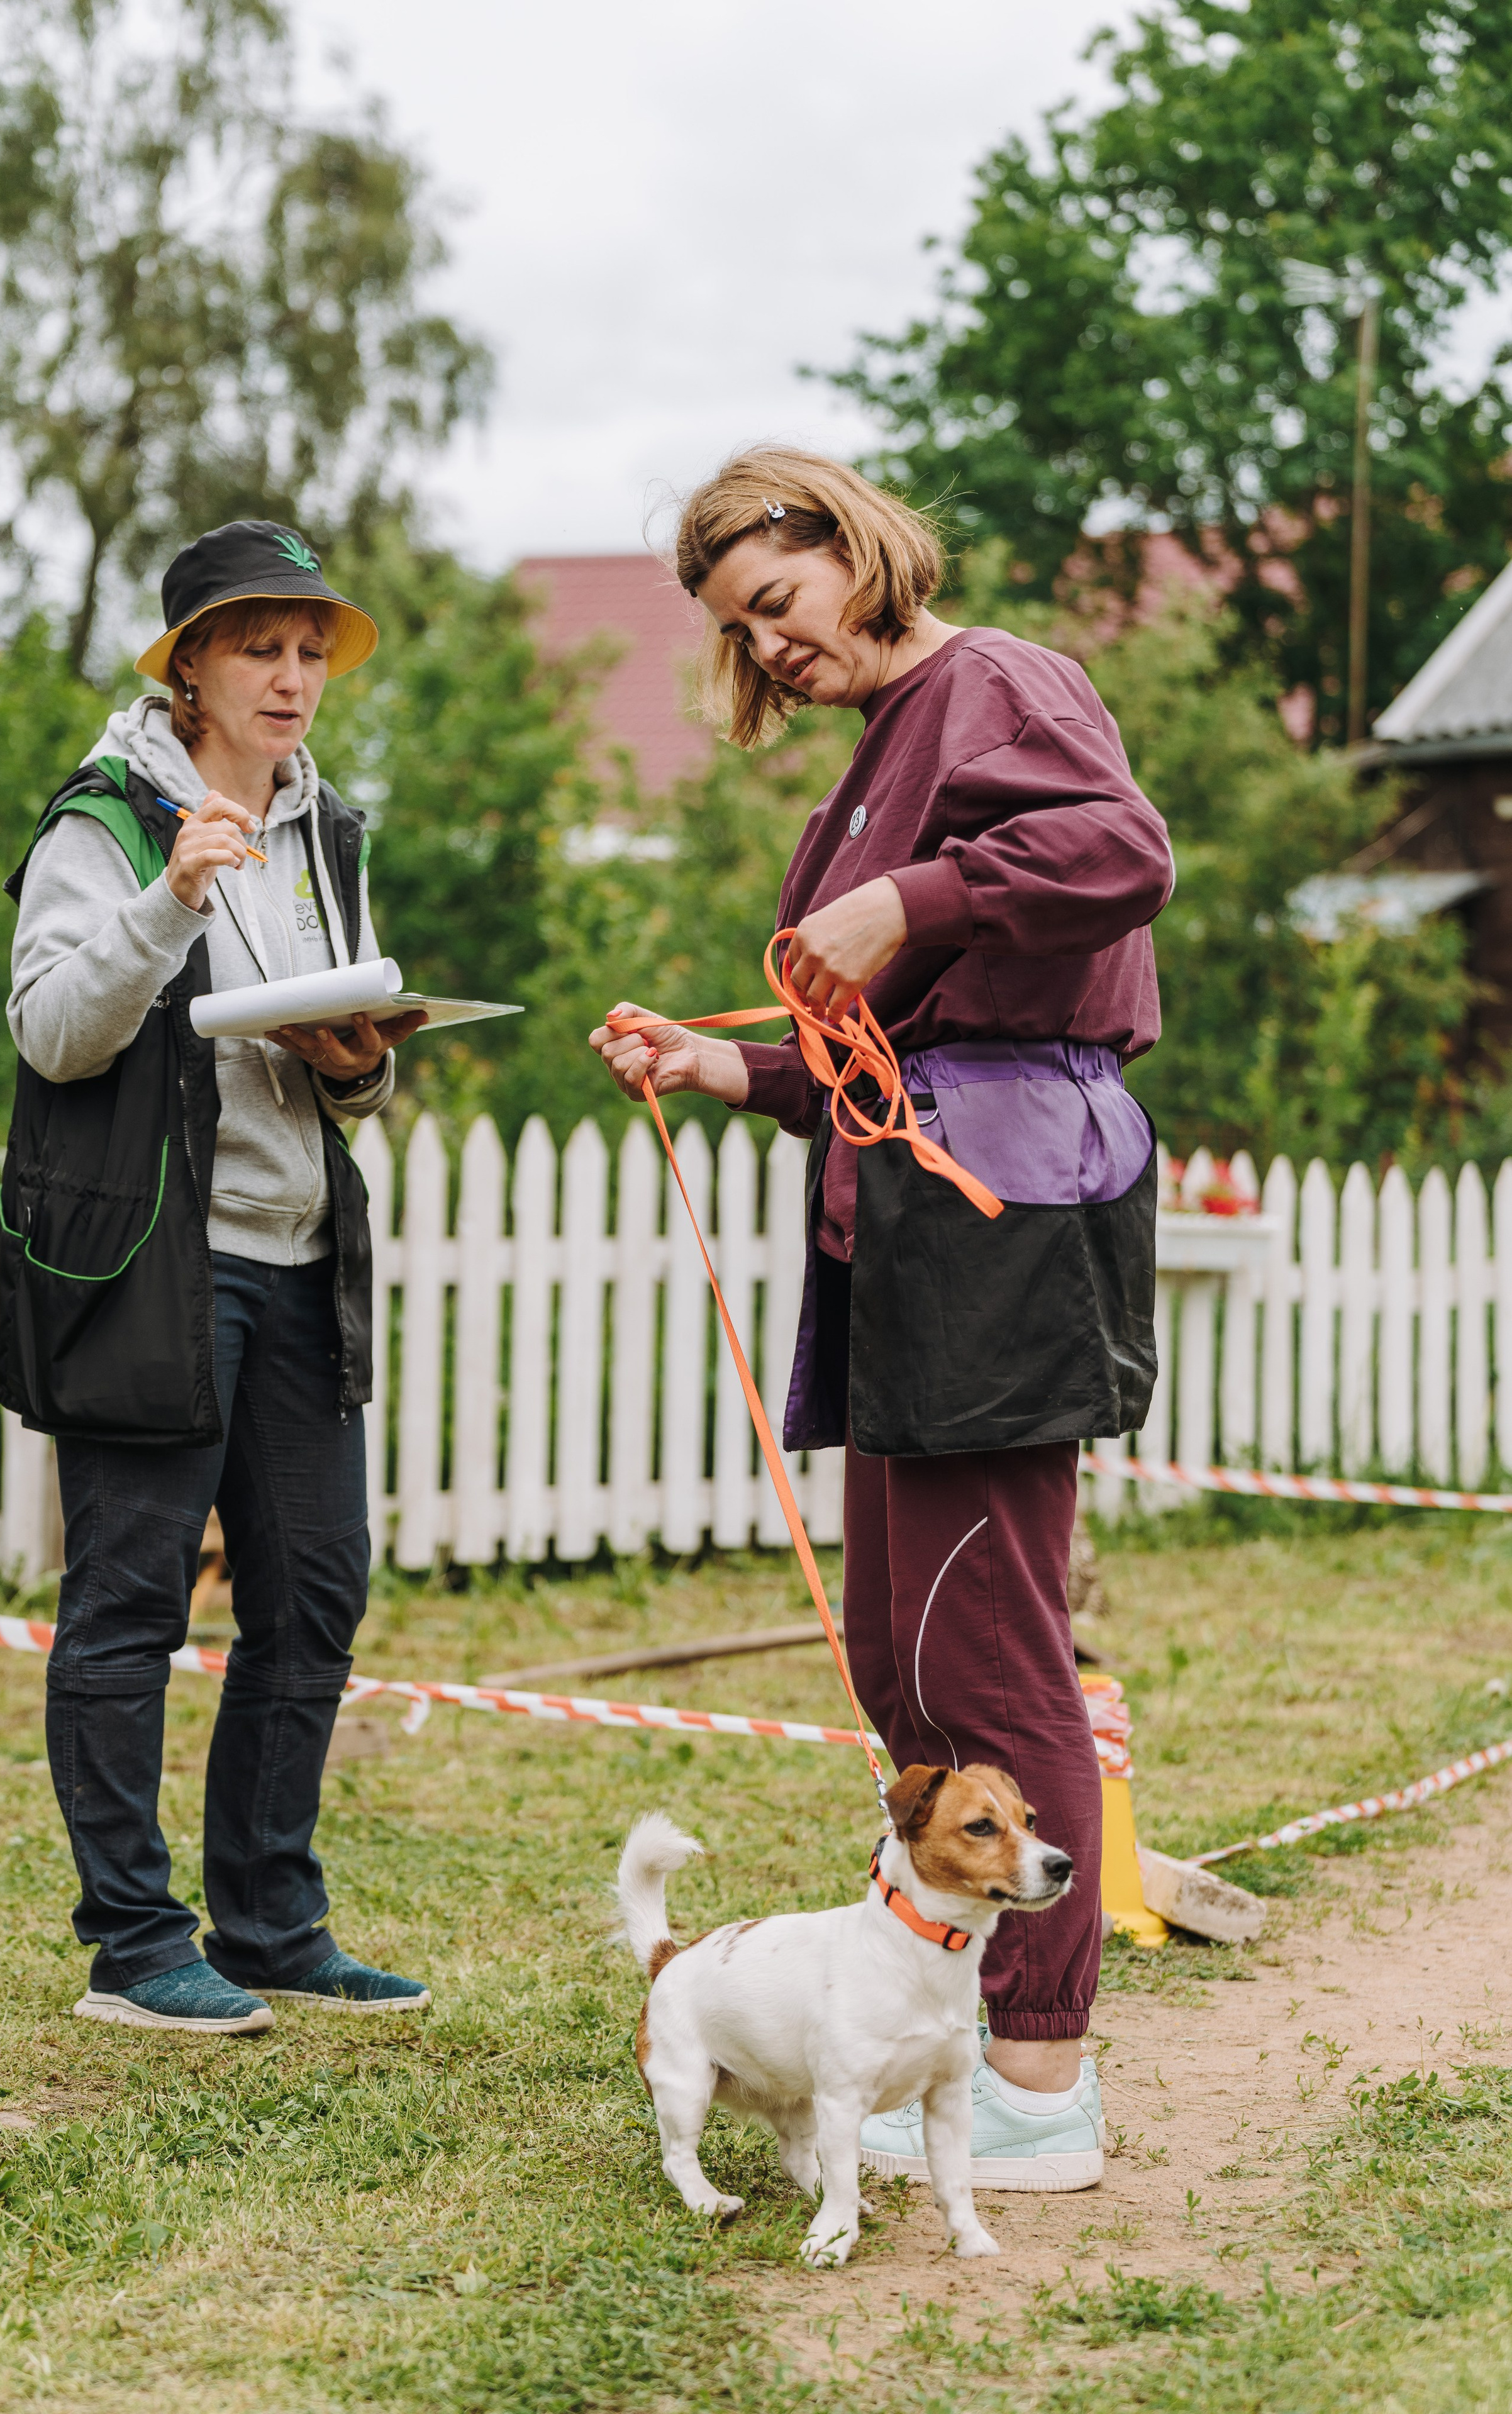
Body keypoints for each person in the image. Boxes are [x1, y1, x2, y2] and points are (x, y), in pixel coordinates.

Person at [591, 448, 1171, 2189]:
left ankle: (1042, 2081)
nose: (768, 647)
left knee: (988, 1646)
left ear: (855, 547)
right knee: (904, 1650)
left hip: (1002, 1211)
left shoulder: (994, 681)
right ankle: (955, 2033)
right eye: (737, 633)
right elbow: (895, 1038)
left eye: (779, 600)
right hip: (903, 1215)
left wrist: (909, 895)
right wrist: (731, 1064)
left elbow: (1119, 852)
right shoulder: (870, 759)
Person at [0, 520, 430, 2035]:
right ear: (189, 673)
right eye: (260, 650)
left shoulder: (325, 825)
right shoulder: (101, 820)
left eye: (310, 652)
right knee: (129, 1604)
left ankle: (274, 1925)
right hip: (151, 1264)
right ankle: (133, 1943)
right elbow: (53, 1034)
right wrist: (168, 899)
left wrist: (358, 1068)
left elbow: (334, 1058)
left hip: (302, 1261)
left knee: (312, 1595)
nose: (294, 679)